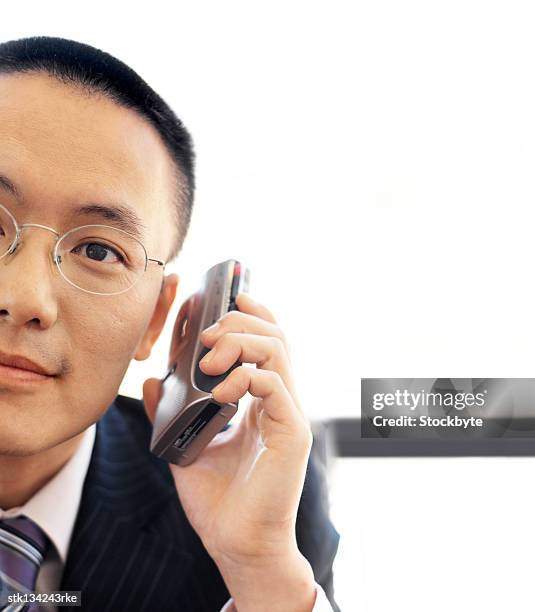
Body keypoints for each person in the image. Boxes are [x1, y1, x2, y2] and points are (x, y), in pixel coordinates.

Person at [0, 36, 340, 611]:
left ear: (157, 319)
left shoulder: (257, 520)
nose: (24, 297)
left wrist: (257, 569)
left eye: (101, 251)